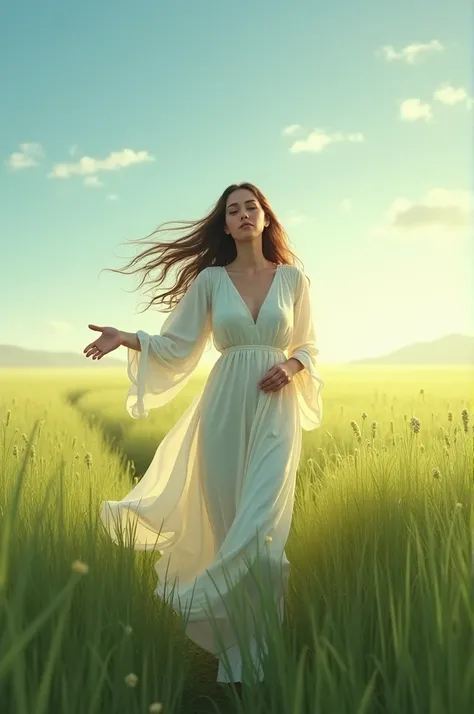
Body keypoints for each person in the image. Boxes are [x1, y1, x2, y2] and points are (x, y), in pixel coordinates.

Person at [83, 182, 324, 687]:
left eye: (250, 207)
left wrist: (294, 365)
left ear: (264, 216)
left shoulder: (293, 279)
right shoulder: (212, 280)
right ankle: (238, 666)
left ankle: (260, 655)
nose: (242, 215)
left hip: (274, 409)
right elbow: (177, 343)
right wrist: (126, 337)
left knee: (261, 537)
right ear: (225, 223)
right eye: (232, 210)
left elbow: (310, 344)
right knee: (228, 526)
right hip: (223, 408)